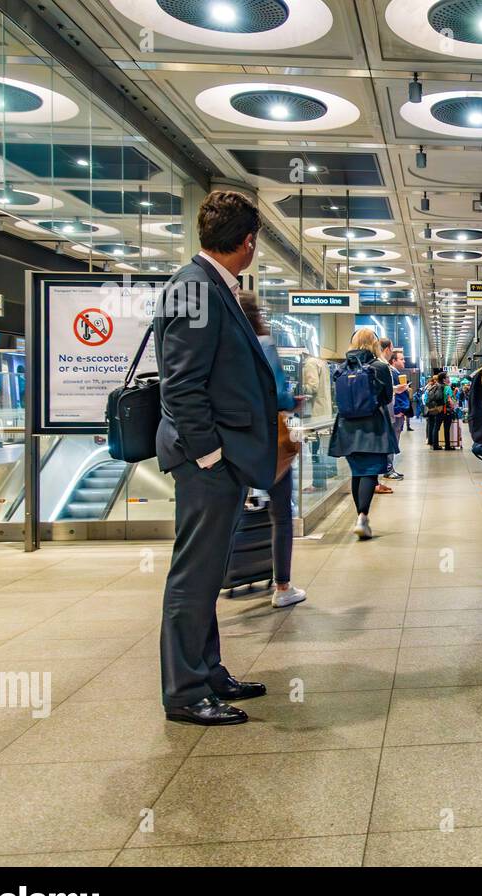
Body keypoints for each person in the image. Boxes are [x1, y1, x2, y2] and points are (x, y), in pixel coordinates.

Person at [155, 189, 275, 726]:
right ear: (247, 243)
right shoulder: (196, 289)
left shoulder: (208, 286)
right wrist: (210, 456)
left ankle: (207, 670)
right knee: (194, 575)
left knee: (207, 572)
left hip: (217, 459)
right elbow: (181, 386)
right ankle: (184, 692)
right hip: (205, 461)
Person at [237, 290, 305, 609]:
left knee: (226, 513)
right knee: (281, 513)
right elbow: (278, 392)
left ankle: (210, 586)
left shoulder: (223, 343)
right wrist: (293, 402)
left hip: (232, 439)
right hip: (267, 437)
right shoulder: (263, 344)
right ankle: (282, 586)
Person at [329, 327, 397, 539]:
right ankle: (362, 516)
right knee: (370, 471)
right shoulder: (379, 367)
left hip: (346, 427)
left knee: (357, 471)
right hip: (372, 425)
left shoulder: (341, 368)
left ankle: (360, 516)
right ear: (374, 344)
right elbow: (386, 398)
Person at [377, 337, 405, 481]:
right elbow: (384, 391)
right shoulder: (383, 367)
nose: (403, 361)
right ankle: (387, 468)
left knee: (391, 440)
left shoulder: (382, 367)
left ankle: (388, 468)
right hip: (387, 411)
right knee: (389, 440)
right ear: (387, 349)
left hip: (387, 411)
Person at [392, 349, 413, 431]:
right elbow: (393, 394)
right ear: (394, 361)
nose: (404, 361)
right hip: (397, 414)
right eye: (401, 359)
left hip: (399, 413)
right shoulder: (392, 374)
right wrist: (397, 411)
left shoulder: (396, 373)